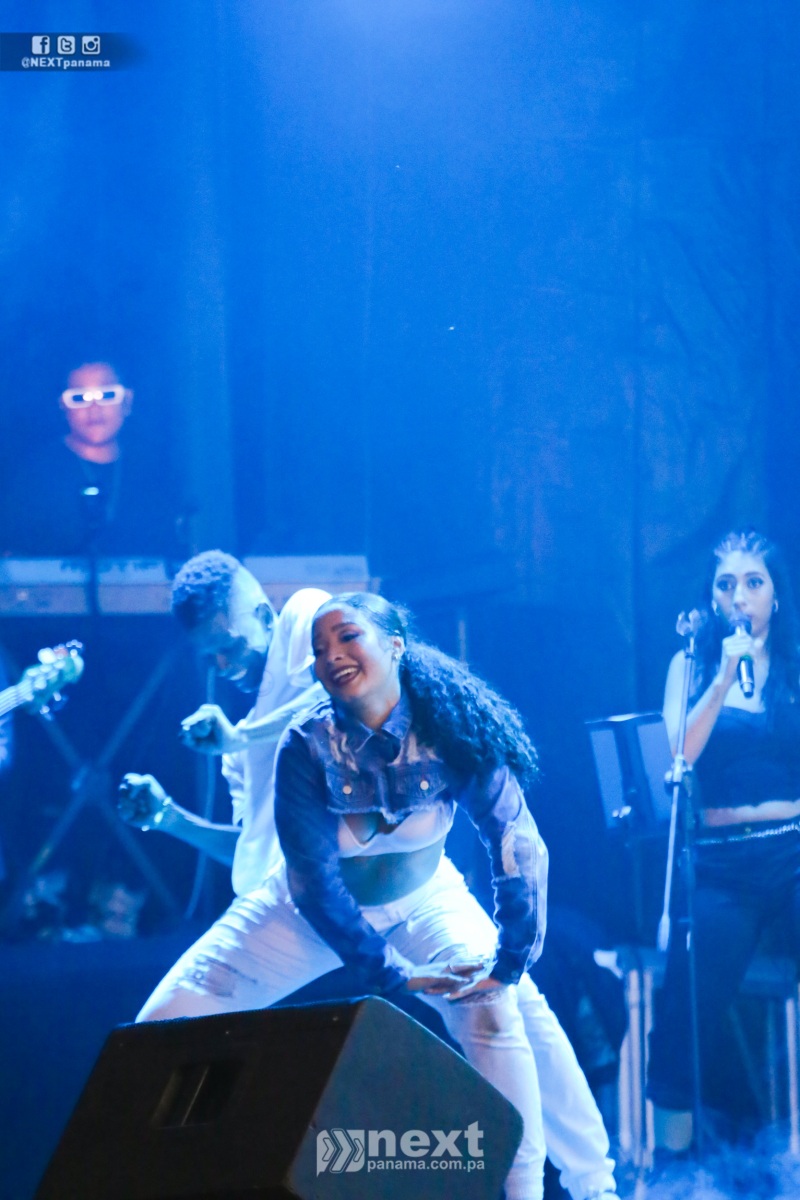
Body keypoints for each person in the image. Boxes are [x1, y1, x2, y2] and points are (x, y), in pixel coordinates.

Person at [137, 591, 616, 1200]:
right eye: (319, 649)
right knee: (157, 1030)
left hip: (428, 901)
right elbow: (315, 885)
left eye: (348, 637)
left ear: (394, 644)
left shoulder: (450, 721)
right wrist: (395, 974)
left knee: (501, 1005)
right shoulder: (305, 743)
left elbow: (515, 838)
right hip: (308, 915)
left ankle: (584, 1188)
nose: (332, 654)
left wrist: (510, 958)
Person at [647, 529, 800, 1150]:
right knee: (683, 1012)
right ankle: (672, 1172)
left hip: (793, 849)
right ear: (712, 599)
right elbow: (676, 756)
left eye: (754, 582)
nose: (740, 596)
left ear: (775, 596)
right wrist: (721, 679)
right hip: (722, 864)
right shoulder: (689, 665)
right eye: (726, 584)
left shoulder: (795, 665)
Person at [118, 548, 330, 899]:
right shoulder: (237, 750)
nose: (222, 665)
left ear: (265, 617)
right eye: (210, 656)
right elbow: (252, 853)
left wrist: (242, 737)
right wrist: (169, 818)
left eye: (230, 647)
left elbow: (341, 695)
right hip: (298, 900)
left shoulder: (303, 615)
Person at [0, 361, 176, 557]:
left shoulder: (150, 474)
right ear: (63, 405)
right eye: (79, 397)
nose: (94, 409)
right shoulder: (33, 477)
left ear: (127, 400)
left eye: (107, 395)